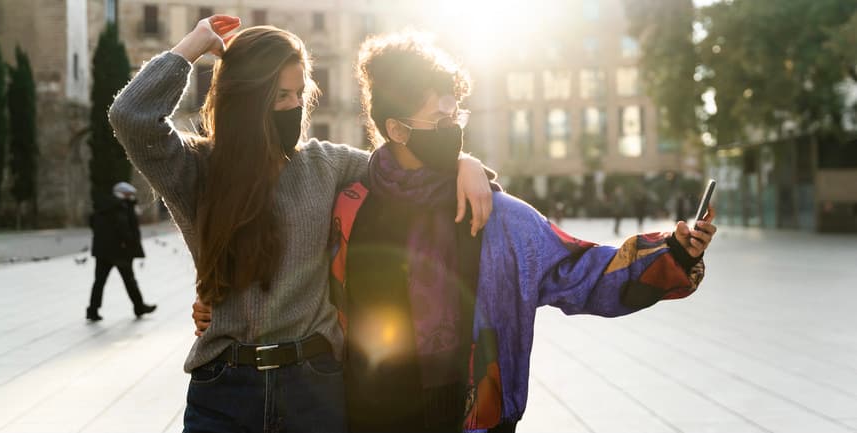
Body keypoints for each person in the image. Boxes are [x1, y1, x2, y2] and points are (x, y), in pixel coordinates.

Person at [195, 32, 717, 432]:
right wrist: (216, 308)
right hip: (365, 416)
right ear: (397, 129)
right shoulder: (348, 205)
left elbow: (582, 270)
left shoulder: (498, 215)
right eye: (439, 118)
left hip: (471, 415)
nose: (454, 126)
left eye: (456, 113)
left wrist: (673, 252)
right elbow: (295, 269)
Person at [109, 15, 495, 433]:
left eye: (299, 93)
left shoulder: (324, 164)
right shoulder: (196, 171)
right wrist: (191, 48)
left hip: (313, 387)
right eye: (280, 96)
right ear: (247, 99)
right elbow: (131, 117)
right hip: (224, 388)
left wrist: (462, 162)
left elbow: (401, 168)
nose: (295, 105)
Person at [86, 182, 156, 321]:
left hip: (102, 251)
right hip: (120, 251)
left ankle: (92, 310)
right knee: (130, 280)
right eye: (130, 194)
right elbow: (123, 227)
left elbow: (92, 222)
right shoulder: (120, 206)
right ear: (125, 194)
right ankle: (139, 307)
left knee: (99, 282)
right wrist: (130, 244)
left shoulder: (103, 205)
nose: (131, 197)